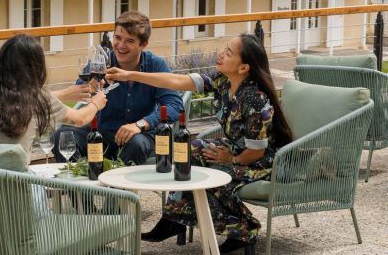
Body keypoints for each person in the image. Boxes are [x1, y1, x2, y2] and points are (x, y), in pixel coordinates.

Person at [106, 33, 293, 254]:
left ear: (243, 68)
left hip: (263, 162)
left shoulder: (255, 99)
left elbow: (257, 150)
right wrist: (131, 75)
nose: (221, 54)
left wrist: (232, 159)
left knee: (214, 174)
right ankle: (174, 219)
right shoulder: (222, 81)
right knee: (189, 151)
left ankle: (244, 229)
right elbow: (175, 81)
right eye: (225, 49)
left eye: (229, 53)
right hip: (238, 150)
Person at [0, 34, 107, 163]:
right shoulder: (34, 98)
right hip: (15, 198)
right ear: (36, 66)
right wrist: (96, 103)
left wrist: (63, 94)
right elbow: (80, 119)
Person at [52, 10, 184, 165]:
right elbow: (81, 88)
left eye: (129, 41)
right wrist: (90, 88)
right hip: (103, 133)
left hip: (139, 135)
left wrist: (139, 124)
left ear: (143, 44)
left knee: (137, 144)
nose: (120, 45)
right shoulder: (101, 63)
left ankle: (117, 189)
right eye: (117, 37)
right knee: (62, 135)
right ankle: (81, 188)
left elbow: (175, 106)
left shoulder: (155, 65)